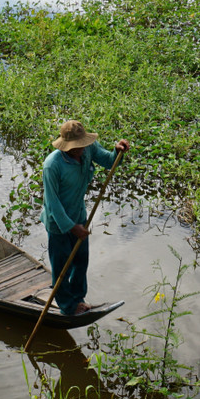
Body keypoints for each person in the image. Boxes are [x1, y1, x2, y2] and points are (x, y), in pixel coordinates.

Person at [41, 119, 131, 316]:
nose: (81, 149)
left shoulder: (89, 148)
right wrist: (72, 227)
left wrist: (117, 151)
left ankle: (78, 298)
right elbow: (53, 203)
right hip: (58, 223)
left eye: (82, 145)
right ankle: (67, 306)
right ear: (66, 146)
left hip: (79, 215)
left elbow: (109, 161)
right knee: (62, 267)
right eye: (76, 147)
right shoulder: (52, 166)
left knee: (81, 261)